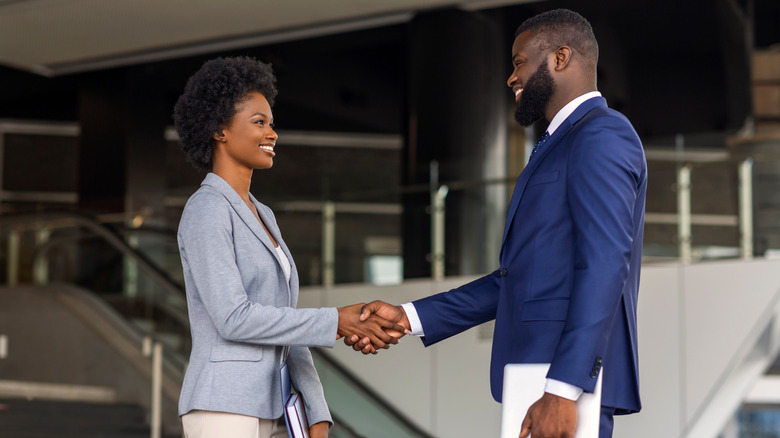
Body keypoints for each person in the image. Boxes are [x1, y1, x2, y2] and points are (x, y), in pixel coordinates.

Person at [348, 9, 646, 438]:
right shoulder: (558, 144)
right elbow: (515, 279)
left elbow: (604, 265)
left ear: (560, 58)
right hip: (537, 378)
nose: (511, 76)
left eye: (519, 61)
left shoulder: (600, 135)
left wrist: (563, 389)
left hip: (565, 383)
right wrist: (408, 317)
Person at [173, 56, 404, 438]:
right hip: (222, 406)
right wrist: (335, 320)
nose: (272, 133)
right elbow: (234, 318)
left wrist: (316, 410)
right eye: (259, 122)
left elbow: (283, 322)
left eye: (272, 123)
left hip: (273, 406)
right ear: (219, 130)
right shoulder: (207, 209)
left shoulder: (263, 214)